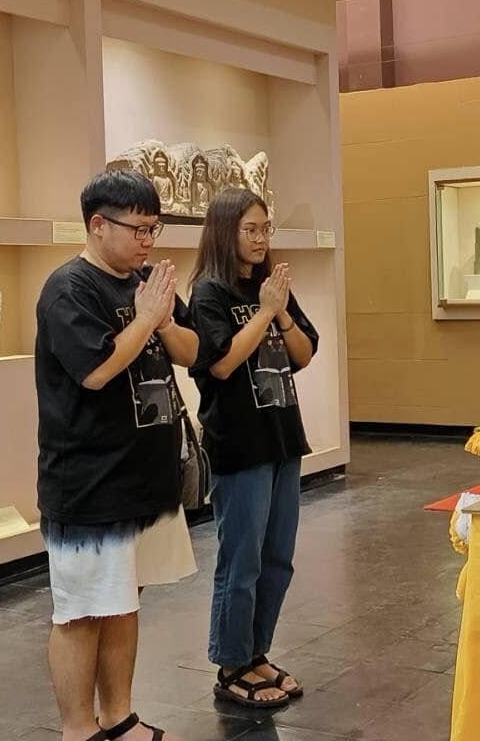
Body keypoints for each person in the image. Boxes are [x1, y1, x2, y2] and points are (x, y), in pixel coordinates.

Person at [35, 170, 200, 741]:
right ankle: (78, 728)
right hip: (90, 482)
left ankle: (119, 715)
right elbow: (97, 370)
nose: (147, 241)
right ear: (98, 224)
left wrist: (164, 321)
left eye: (154, 229)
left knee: (125, 600)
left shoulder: (149, 280)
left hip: (144, 479)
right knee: (82, 611)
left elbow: (192, 350)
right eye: (138, 229)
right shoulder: (69, 289)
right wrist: (147, 319)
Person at [188, 189, 318, 709]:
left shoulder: (270, 288)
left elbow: (304, 354)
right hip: (239, 443)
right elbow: (221, 362)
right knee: (241, 561)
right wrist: (265, 313)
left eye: (266, 228)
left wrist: (281, 314)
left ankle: (256, 652)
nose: (262, 239)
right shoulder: (209, 293)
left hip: (282, 437)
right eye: (251, 229)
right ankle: (231, 663)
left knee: (277, 558)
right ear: (226, 232)